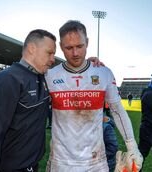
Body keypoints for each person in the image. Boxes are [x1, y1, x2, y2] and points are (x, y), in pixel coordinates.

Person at [45, 20, 143, 172]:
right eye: (69, 48)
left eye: (80, 46)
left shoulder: (103, 73)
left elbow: (117, 110)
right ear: (60, 46)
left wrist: (132, 146)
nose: (75, 53)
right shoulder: (49, 75)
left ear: (87, 42)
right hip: (61, 163)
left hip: (96, 162)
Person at [0, 29, 57, 172]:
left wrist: (88, 65)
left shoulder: (42, 77)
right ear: (32, 48)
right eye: (49, 53)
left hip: (32, 165)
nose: (53, 59)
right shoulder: (8, 79)